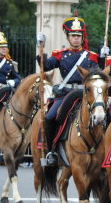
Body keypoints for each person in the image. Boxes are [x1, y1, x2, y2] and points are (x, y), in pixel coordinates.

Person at [36, 14, 101, 166]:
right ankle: (51, 150)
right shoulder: (60, 54)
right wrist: (41, 48)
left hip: (85, 94)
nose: (76, 39)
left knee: (105, 117)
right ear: (67, 37)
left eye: (79, 36)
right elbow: (46, 66)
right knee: (50, 116)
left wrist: (104, 57)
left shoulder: (91, 56)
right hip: (66, 95)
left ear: (83, 37)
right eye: (73, 36)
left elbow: (100, 72)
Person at [0, 29, 21, 117]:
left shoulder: (9, 63)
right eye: (1, 47)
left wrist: (13, 82)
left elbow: (18, 78)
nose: (5, 49)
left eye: (5, 46)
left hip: (4, 92)